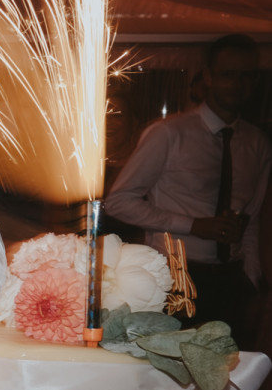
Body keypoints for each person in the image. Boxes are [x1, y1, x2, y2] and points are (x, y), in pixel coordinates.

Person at [104, 34, 269, 340]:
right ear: (208, 77)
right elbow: (119, 201)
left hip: (231, 280)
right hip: (174, 274)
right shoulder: (169, 133)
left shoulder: (257, 143)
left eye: (246, 76)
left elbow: (252, 219)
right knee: (170, 363)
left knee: (230, 364)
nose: (237, 84)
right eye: (228, 74)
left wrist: (252, 277)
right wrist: (193, 225)